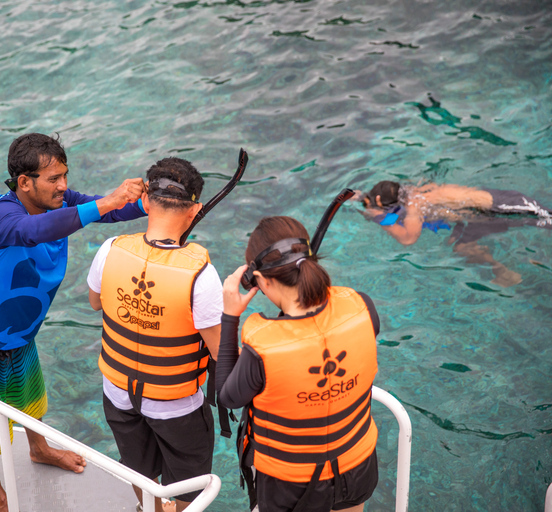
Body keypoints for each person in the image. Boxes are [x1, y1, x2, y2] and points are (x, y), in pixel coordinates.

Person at [0, 132, 147, 512]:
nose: (64, 186)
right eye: (53, 179)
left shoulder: (61, 201)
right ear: (24, 183)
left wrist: (156, 202)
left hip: (19, 331)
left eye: (64, 176)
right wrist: (107, 201)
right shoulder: (1, 217)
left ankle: (38, 449)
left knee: (30, 397)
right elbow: (35, 231)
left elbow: (112, 211)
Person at [216, 216, 381, 512]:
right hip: (357, 464)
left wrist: (230, 317)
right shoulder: (363, 306)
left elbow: (227, 397)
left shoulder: (263, 346)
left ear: (262, 280)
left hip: (291, 483)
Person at [87, 157, 223, 512]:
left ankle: (148, 508)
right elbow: (221, 353)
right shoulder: (201, 275)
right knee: (189, 486)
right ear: (194, 211)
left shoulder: (111, 248)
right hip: (174, 403)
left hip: (117, 392)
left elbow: (95, 303)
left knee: (139, 468)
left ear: (145, 202)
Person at [356, 180, 552, 286]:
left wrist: (376, 218)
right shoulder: (416, 190)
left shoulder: (414, 207)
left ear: (381, 201)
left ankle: (505, 271)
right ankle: (502, 271)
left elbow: (408, 238)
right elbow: (453, 209)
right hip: (490, 207)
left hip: (503, 209)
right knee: (462, 247)